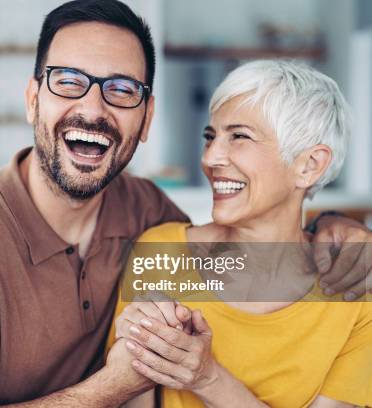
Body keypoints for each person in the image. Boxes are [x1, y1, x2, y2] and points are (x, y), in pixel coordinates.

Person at [0, 1, 370, 407]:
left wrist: (337, 225)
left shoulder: (148, 215)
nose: (94, 108)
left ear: (146, 119)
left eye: (121, 89)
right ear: (32, 100)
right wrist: (116, 383)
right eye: (67, 81)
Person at [109, 60, 371, 408]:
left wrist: (208, 378)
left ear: (309, 165)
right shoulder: (161, 252)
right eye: (210, 136)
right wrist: (133, 356)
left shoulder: (356, 294)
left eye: (240, 136)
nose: (211, 157)